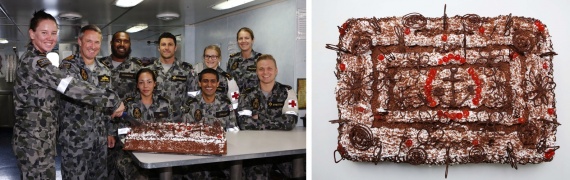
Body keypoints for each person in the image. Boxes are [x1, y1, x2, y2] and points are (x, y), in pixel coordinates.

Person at [12, 10, 124, 179]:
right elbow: (69, 86)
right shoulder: (35, 62)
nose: (50, 37)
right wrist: (112, 100)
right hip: (34, 143)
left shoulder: (38, 59)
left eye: (54, 33)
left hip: (42, 141)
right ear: (31, 34)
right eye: (44, 33)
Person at [58, 24, 117, 179]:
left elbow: (107, 106)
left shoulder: (104, 71)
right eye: (88, 41)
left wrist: (109, 131)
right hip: (75, 141)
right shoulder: (68, 66)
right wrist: (113, 100)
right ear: (80, 41)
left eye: (97, 42)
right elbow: (79, 92)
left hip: (99, 139)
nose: (93, 46)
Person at [237, 54, 299, 179]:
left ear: (276, 70)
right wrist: (277, 121)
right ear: (256, 71)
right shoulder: (247, 94)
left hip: (283, 148)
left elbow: (290, 122)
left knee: (298, 172)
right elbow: (244, 123)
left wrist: (258, 118)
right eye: (261, 69)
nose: (265, 72)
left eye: (269, 68)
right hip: (255, 150)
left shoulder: (287, 91)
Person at [98, 31, 148, 180]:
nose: (121, 44)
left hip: (128, 127)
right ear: (112, 43)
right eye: (118, 41)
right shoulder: (99, 66)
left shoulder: (137, 67)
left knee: (128, 170)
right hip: (102, 128)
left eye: (125, 41)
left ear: (130, 44)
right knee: (104, 171)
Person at [116, 68, 173, 179]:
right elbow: (121, 132)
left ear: (155, 84)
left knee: (167, 170)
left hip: (159, 151)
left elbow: (170, 130)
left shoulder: (165, 103)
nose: (145, 86)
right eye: (141, 82)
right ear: (137, 85)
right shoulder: (128, 104)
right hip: (132, 153)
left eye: (149, 82)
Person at [148, 32, 195, 121]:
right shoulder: (148, 71)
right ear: (158, 48)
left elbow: (194, 95)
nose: (166, 48)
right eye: (163, 45)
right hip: (153, 120)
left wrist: (187, 113)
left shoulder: (186, 70)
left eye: (170, 44)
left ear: (175, 48)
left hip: (178, 121)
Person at [190, 45, 239, 110]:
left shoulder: (228, 79)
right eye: (207, 56)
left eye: (213, 57)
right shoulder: (196, 77)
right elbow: (191, 99)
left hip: (220, 117)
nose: (210, 59)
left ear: (219, 58)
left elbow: (234, 104)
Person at [226, 27, 263, 92]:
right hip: (237, 100)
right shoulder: (232, 60)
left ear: (252, 40)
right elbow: (228, 82)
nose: (243, 41)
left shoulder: (261, 59)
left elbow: (267, 82)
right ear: (237, 41)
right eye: (240, 38)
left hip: (256, 100)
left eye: (247, 38)